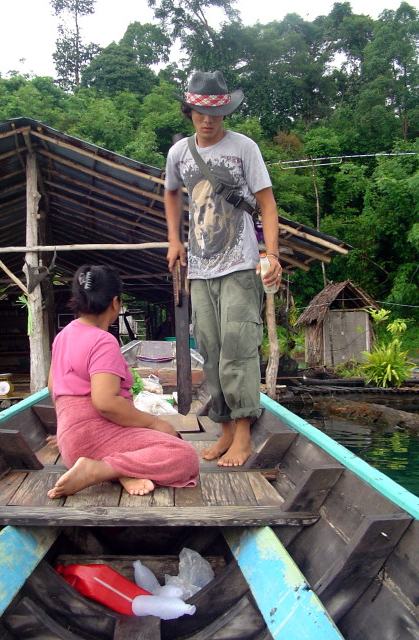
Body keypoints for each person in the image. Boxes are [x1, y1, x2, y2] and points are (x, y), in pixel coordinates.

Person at [164, 70, 282, 467]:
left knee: (239, 346)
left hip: (239, 263)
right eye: (199, 112)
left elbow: (267, 205)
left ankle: (244, 433)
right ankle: (226, 429)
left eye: (215, 114)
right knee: (210, 350)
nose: (208, 120)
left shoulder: (243, 148)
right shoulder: (179, 153)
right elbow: (171, 193)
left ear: (225, 114)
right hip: (200, 268)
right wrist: (175, 240)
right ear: (190, 111)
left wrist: (272, 255)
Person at [47, 264, 199, 499]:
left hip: (71, 443)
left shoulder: (63, 336)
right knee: (183, 454)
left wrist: (68, 430)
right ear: (115, 302)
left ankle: (119, 470)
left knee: (159, 441)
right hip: (94, 436)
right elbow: (106, 403)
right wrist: (155, 424)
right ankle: (97, 469)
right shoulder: (102, 341)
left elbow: (53, 388)